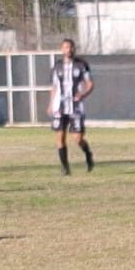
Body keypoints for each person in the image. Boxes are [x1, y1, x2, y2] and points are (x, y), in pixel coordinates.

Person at [49, 38, 94, 176]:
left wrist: (82, 94)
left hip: (76, 107)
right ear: (62, 49)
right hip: (60, 107)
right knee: (60, 138)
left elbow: (90, 84)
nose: (68, 50)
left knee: (77, 138)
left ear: (74, 49)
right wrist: (51, 104)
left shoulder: (82, 65)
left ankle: (88, 154)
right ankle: (65, 168)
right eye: (66, 47)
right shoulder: (57, 66)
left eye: (70, 47)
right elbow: (55, 87)